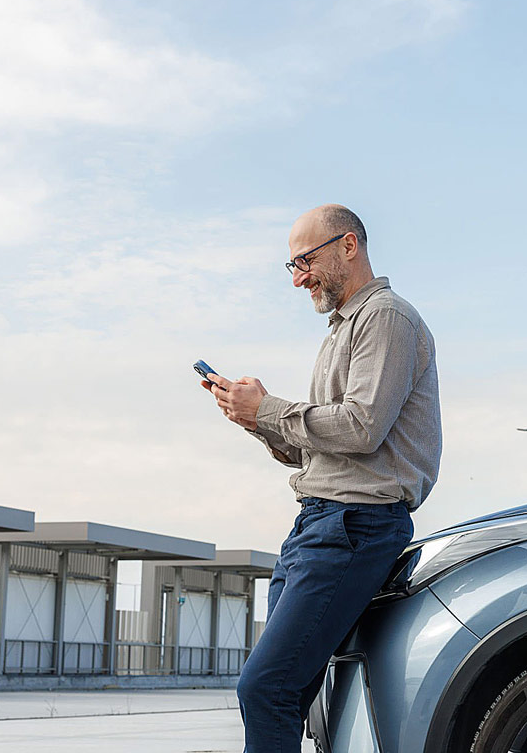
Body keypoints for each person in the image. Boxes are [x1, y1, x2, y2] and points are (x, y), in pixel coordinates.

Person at [201, 203, 442, 752]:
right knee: (291, 697)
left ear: (349, 246)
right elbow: (315, 453)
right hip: (317, 526)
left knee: (265, 689)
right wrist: (252, 419)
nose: (298, 277)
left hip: (353, 526)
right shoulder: (341, 331)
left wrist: (268, 408)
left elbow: (361, 427)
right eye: (290, 266)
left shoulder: (386, 317)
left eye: (304, 260)